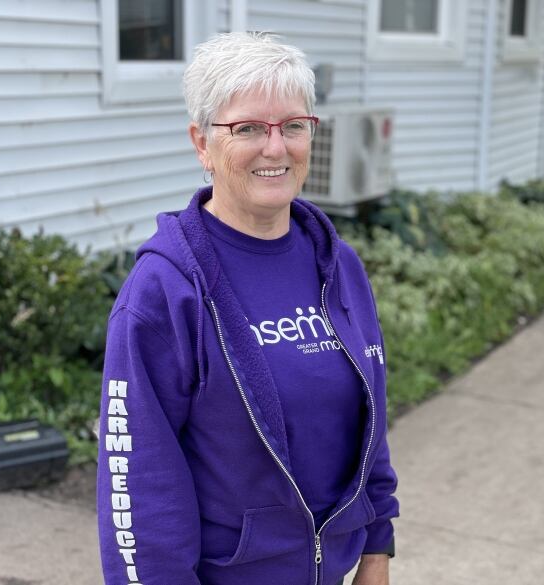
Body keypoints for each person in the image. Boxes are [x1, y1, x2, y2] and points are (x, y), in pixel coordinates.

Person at [96, 32, 399, 585]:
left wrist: (377, 547)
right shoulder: (163, 291)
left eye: (293, 126)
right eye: (249, 128)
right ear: (202, 143)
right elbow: (140, 489)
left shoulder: (338, 264)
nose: (275, 148)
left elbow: (371, 420)